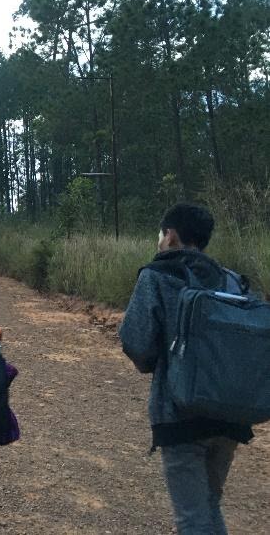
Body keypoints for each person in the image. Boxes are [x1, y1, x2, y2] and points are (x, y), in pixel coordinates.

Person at [120, 203, 254, 534]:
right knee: (207, 505)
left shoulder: (157, 276)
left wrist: (153, 363)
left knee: (191, 518)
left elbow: (137, 343)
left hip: (180, 414)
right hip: (230, 415)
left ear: (171, 236)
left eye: (161, 233)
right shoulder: (232, 281)